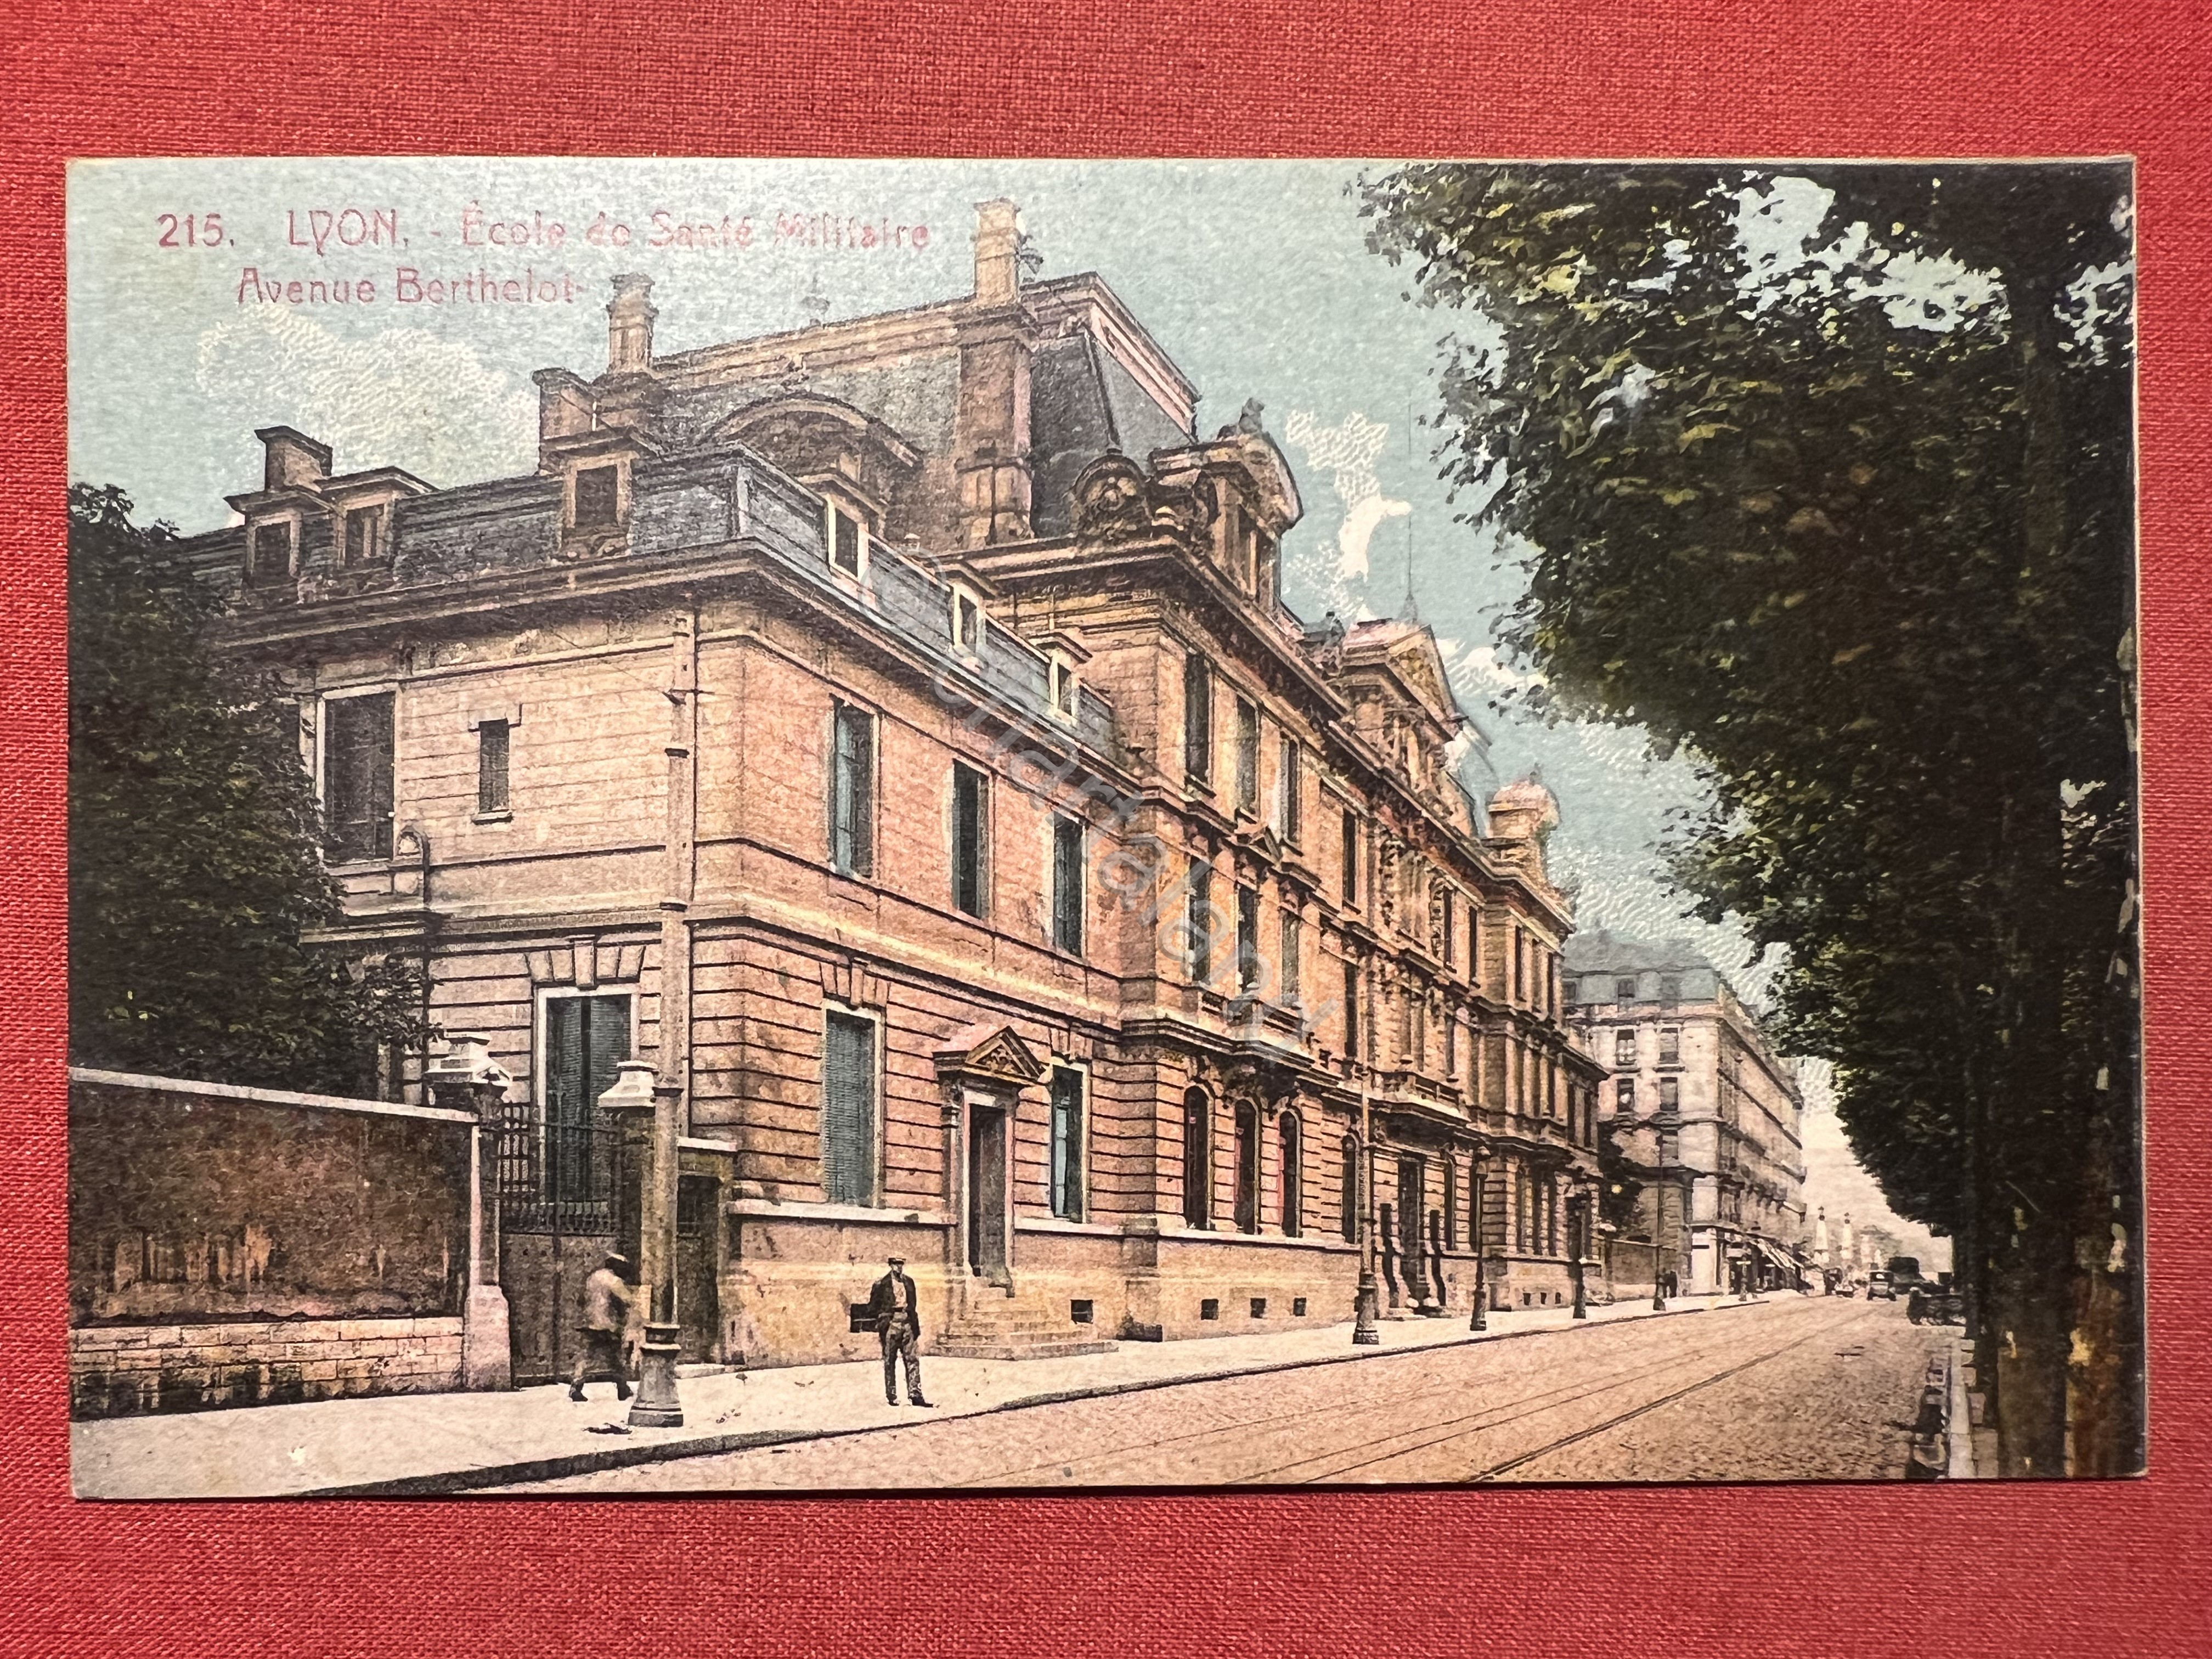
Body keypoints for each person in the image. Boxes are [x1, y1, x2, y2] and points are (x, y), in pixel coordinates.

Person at [867, 1255, 931, 1407]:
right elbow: (873, 1307)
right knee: (890, 1361)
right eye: (896, 1264)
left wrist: (912, 1322)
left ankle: (916, 1394)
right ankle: (892, 1395)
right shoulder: (882, 1284)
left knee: (913, 1359)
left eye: (901, 1264)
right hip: (891, 1323)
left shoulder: (909, 1282)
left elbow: (913, 1303)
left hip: (907, 1322)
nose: (899, 1267)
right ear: (890, 1265)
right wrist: (883, 1321)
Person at [571, 1251, 634, 1403]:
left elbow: (581, 1298)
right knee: (617, 1358)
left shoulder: (593, 1277)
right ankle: (622, 1388)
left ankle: (576, 1386)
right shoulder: (614, 1281)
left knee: (587, 1356)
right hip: (607, 1325)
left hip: (591, 1323)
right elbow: (628, 1299)